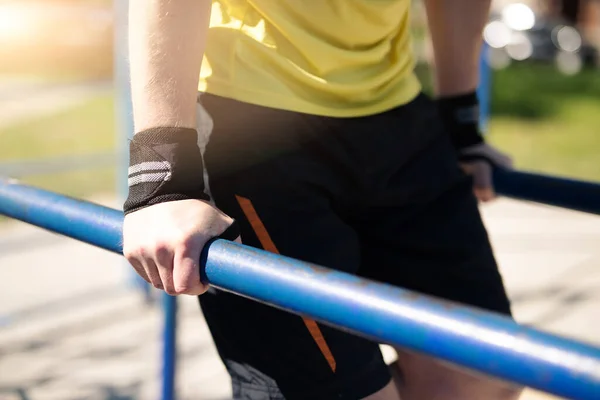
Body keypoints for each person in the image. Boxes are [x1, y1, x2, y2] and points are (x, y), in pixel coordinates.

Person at [122, 1, 522, 399]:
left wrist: (460, 121)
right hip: (250, 121)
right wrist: (162, 175)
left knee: (481, 377)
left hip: (399, 115)